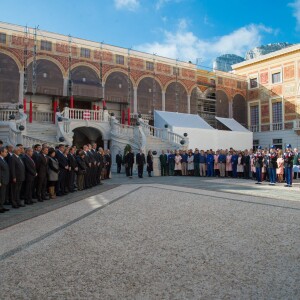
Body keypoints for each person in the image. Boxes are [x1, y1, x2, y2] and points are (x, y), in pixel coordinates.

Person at [0, 147, 10, 213]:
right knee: (1, 194)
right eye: (5, 152)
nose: (7, 153)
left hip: (5, 179)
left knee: (3, 194)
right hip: (2, 180)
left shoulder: (3, 159)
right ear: (1, 152)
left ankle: (2, 206)